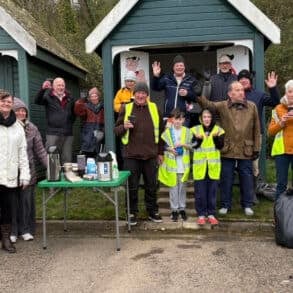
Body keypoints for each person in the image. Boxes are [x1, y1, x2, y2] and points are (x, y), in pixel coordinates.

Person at [197, 81, 261, 216]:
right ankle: (226, 205)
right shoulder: (223, 106)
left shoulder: (252, 106)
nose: (241, 92)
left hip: (246, 149)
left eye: (242, 90)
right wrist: (199, 95)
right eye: (237, 90)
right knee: (226, 178)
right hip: (228, 149)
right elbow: (208, 105)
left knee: (247, 178)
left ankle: (247, 205)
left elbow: (257, 129)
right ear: (230, 93)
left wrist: (256, 148)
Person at [114, 82, 164, 225]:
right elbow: (116, 130)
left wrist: (160, 152)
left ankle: (152, 211)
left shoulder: (154, 108)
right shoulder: (126, 108)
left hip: (150, 155)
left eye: (144, 93)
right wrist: (124, 126)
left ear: (147, 95)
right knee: (132, 186)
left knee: (151, 185)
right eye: (138, 93)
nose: (141, 95)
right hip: (131, 155)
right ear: (134, 94)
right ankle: (131, 212)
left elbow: (161, 132)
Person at [10, 98, 47, 243]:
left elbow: (40, 151)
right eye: (18, 110)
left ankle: (25, 229)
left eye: (23, 110)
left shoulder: (32, 128)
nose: (21, 112)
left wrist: (51, 168)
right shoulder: (7, 128)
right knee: (11, 203)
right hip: (11, 172)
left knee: (26, 202)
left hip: (28, 171)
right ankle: (12, 231)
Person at [0, 91, 30, 253]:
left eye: (8, 102)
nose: (6, 104)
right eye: (3, 101)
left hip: (10, 175)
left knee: (7, 209)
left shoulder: (17, 126)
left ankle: (6, 240)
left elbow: (22, 153)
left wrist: (25, 175)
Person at [238, 70, 280, 182]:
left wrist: (272, 88)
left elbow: (276, 103)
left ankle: (252, 192)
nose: (243, 80)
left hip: (255, 135)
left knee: (254, 165)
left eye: (246, 78)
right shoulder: (234, 95)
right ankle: (244, 191)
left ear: (250, 80)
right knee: (240, 164)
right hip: (237, 135)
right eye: (241, 79)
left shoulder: (259, 95)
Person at [190, 108, 225, 225]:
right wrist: (198, 141)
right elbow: (193, 146)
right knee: (200, 192)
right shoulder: (195, 130)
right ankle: (201, 215)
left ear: (212, 118)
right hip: (200, 167)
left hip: (213, 167)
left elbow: (220, 146)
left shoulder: (219, 130)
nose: (207, 119)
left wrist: (215, 138)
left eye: (209, 117)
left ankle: (211, 214)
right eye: (204, 117)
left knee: (212, 192)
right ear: (201, 118)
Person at [158, 109, 191, 222]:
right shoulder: (167, 132)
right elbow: (161, 145)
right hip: (172, 165)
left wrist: (183, 144)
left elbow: (193, 146)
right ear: (172, 120)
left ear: (183, 120)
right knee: (173, 188)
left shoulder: (187, 131)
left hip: (183, 165)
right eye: (176, 119)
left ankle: (182, 209)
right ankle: (174, 210)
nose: (178, 121)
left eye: (180, 119)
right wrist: (169, 149)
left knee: (182, 188)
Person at [35, 77, 75, 164]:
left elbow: (73, 114)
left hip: (67, 133)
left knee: (67, 158)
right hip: (52, 133)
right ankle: (53, 176)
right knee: (52, 158)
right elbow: (37, 101)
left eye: (62, 85)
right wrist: (42, 89)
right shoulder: (48, 96)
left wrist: (69, 124)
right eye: (58, 85)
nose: (61, 87)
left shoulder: (70, 98)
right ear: (53, 86)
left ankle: (66, 176)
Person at [151, 55, 198, 126]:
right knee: (168, 136)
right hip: (169, 117)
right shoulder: (167, 78)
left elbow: (196, 98)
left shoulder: (191, 80)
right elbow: (155, 88)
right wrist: (156, 76)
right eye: (177, 65)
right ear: (173, 67)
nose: (179, 67)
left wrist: (187, 93)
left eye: (181, 65)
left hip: (183, 118)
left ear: (184, 67)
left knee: (182, 137)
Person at [268, 80, 293, 199]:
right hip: (281, 151)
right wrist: (281, 123)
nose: (292, 94)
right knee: (281, 184)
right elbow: (271, 131)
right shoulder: (278, 108)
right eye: (290, 91)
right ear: (286, 93)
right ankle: (278, 213)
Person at [74, 87, 104, 158]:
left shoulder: (104, 107)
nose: (94, 98)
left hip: (100, 138)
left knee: (99, 158)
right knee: (88, 160)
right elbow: (77, 111)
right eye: (91, 96)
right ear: (89, 98)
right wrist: (81, 100)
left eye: (95, 96)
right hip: (87, 138)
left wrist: (103, 131)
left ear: (98, 97)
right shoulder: (85, 106)